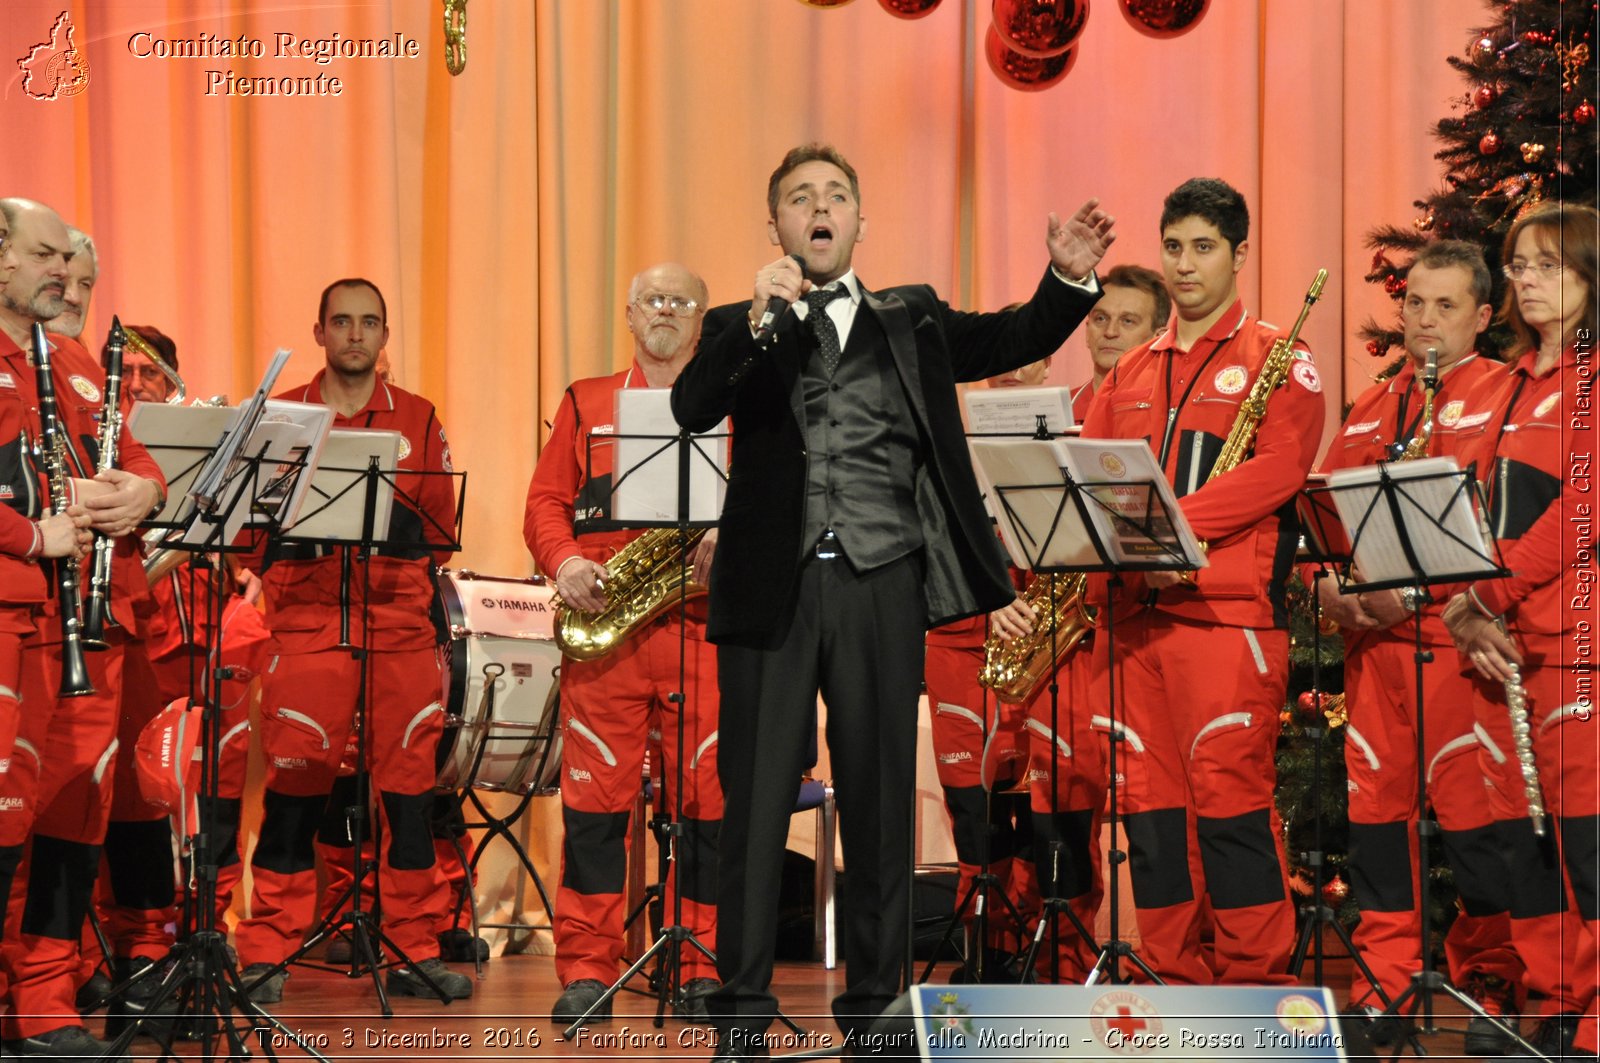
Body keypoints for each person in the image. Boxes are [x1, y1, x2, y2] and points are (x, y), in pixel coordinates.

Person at [671, 143, 1114, 1058]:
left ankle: (877, 1009)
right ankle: (743, 1009)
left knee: (877, 794)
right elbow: (689, 404)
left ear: (860, 220)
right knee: (753, 798)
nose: (819, 208)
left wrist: (1067, 279)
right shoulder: (741, 320)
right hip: (771, 589)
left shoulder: (910, 316)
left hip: (883, 578)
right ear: (777, 226)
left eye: (836, 195)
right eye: (800, 197)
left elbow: (1013, 335)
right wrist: (759, 319)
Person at [1078, 177, 1326, 986]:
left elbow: (1282, 469)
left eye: (1204, 248)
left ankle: (1254, 983)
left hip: (1225, 620)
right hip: (1134, 625)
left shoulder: (1278, 356)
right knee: (1151, 816)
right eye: (1174, 247)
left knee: (1231, 808)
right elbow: (1092, 475)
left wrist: (1173, 520)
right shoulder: (1131, 370)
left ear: (1239, 254)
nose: (1185, 266)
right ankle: (1172, 979)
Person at [1308, 241, 1522, 1049]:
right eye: (1415, 305)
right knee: (1376, 827)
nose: (1425, 322)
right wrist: (1327, 588)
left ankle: (1492, 980)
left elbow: (1509, 531)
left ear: (1482, 315)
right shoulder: (1371, 405)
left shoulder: (1507, 395)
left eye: (1445, 307)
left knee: (1478, 832)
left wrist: (1415, 595)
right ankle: (1380, 986)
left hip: (1460, 654)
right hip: (1375, 658)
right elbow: (1324, 521)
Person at [233, 277, 470, 1004]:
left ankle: (415, 947)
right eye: (342, 321)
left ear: (385, 335)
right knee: (294, 797)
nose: (356, 335)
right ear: (319, 332)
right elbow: (245, 538)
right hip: (306, 632)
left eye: (370, 322)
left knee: (407, 800)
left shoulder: (421, 418)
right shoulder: (279, 416)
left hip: (399, 630)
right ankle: (265, 950)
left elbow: (437, 534)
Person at [525, 262, 723, 1026]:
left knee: (708, 807)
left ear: (702, 319)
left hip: (704, 629)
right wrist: (566, 559)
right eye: (653, 300)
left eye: (682, 301)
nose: (666, 311)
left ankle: (702, 964)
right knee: (595, 809)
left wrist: (728, 527)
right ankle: (586, 967)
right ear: (631, 314)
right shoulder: (586, 398)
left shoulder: (735, 401)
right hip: (608, 630)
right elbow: (545, 500)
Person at [0, 198, 165, 1061]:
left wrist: (144, 492)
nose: (63, 273)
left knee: (73, 814)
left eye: (70, 259)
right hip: (13, 615)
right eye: (46, 255)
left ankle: (46, 999)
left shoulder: (74, 359)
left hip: (91, 624)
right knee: (4, 813)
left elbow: (138, 464)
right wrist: (36, 529)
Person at [1439, 201, 1598, 1061]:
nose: (1526, 280)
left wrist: (1484, 598)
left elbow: (1580, 514)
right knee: (1526, 843)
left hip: (1575, 642)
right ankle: (1551, 998)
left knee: (1586, 838)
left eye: (1549, 265)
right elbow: (1476, 516)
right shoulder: (1507, 382)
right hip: (1499, 645)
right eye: (1520, 265)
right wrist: (1471, 607)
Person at [1070, 263, 1168, 421]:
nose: (1110, 332)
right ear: (1087, 332)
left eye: (1128, 321)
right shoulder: (1060, 412)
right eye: (1101, 318)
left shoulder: (1169, 415)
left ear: (1158, 338)